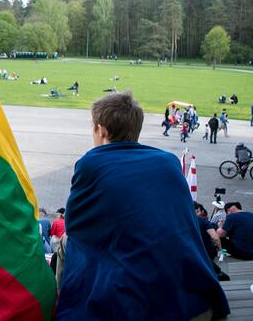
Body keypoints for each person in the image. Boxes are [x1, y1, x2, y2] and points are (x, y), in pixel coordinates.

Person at [56, 92, 228, 319]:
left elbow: (76, 226)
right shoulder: (169, 161)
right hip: (194, 301)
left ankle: (65, 301)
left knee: (67, 241)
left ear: (102, 130)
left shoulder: (92, 162)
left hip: (137, 308)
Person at [194, 203, 226, 280]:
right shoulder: (203, 221)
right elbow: (215, 237)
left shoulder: (182, 221)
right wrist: (220, 249)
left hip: (192, 253)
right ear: (198, 210)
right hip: (207, 252)